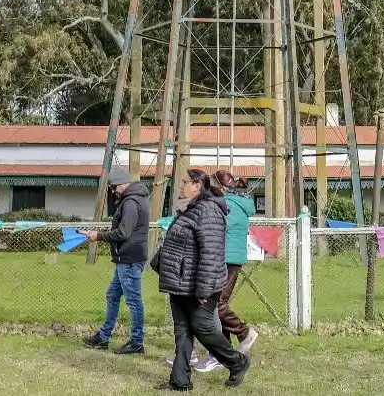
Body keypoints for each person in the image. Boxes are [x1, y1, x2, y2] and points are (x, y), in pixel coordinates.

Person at [153, 168, 251, 391]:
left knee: (203, 329)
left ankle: (237, 361)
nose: (180, 186)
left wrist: (203, 291)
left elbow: (211, 254)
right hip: (179, 282)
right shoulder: (189, 209)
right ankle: (179, 380)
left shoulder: (209, 211)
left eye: (184, 182)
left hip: (197, 286)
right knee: (182, 331)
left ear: (197, 186)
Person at [186, 169, 257, 372]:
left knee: (217, 306)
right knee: (214, 306)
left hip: (227, 260)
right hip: (225, 259)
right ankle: (218, 351)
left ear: (220, 185)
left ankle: (242, 334)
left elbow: (216, 227)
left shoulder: (230, 205)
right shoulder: (233, 202)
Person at [81, 167, 150, 355]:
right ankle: (104, 336)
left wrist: (98, 236)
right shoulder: (136, 199)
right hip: (126, 259)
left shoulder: (130, 203)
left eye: (113, 188)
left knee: (134, 302)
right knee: (112, 295)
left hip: (129, 259)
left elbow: (123, 233)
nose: (113, 191)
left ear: (122, 185)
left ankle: (137, 342)